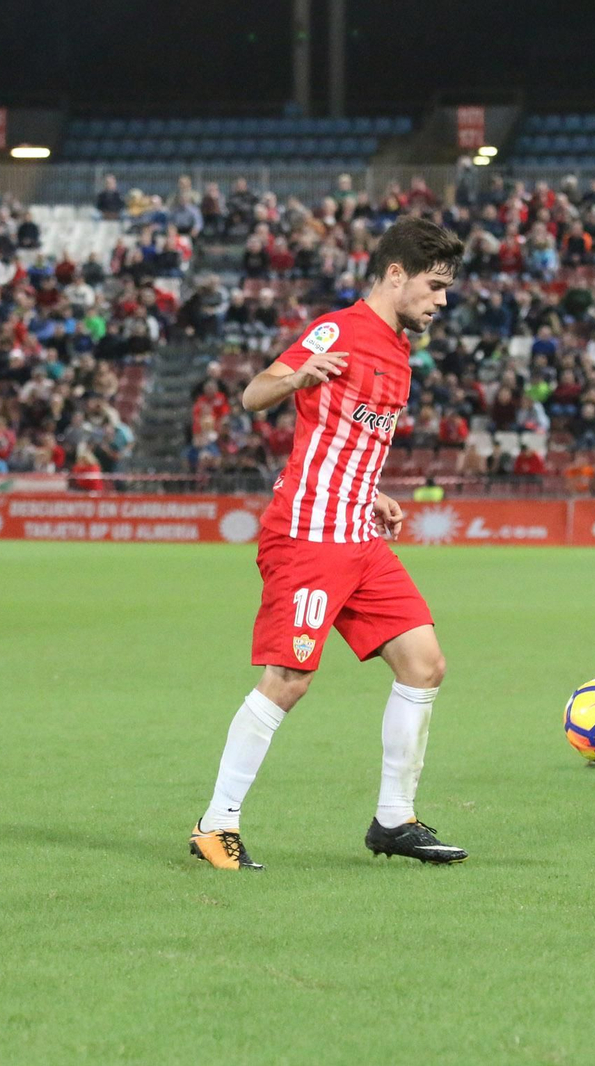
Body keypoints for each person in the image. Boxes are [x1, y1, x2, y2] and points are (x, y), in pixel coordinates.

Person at [189, 217, 468, 871]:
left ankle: (394, 820)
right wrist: (298, 376)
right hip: (309, 536)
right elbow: (255, 392)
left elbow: (346, 441)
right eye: (434, 285)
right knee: (288, 679)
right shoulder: (339, 330)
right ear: (395, 274)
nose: (442, 299)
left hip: (359, 536)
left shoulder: (399, 351)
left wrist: (372, 492)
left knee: (424, 664)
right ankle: (215, 825)